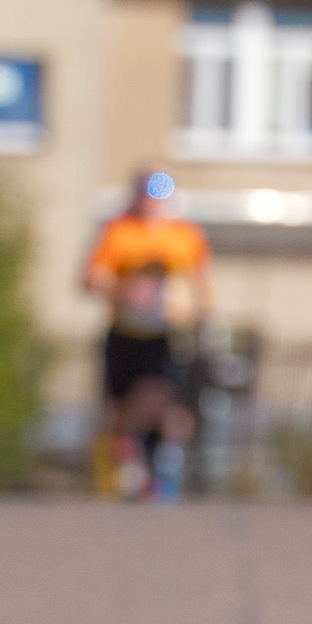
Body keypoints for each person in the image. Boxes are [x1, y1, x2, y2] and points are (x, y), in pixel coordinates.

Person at [82, 167, 212, 503]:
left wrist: (198, 312)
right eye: (148, 189)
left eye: (161, 189)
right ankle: (135, 465)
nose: (154, 197)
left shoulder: (185, 235)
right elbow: (91, 278)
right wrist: (125, 289)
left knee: (159, 396)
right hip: (127, 333)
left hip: (168, 335)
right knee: (123, 408)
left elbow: (202, 283)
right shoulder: (120, 232)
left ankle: (160, 468)